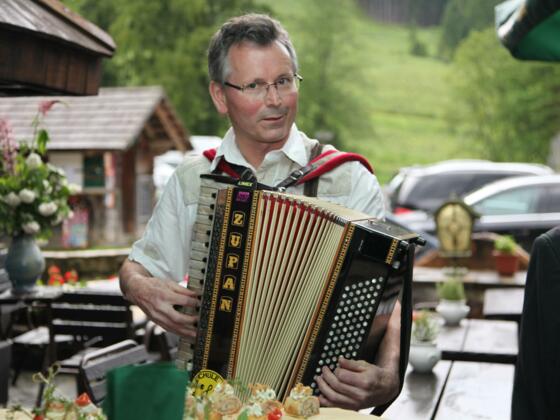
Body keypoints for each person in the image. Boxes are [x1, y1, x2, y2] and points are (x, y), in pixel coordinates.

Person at [119, 13, 401, 411]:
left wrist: (389, 376)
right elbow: (137, 268)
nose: (275, 100)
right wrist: (139, 287)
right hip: (214, 405)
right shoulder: (193, 180)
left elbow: (387, 300)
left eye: (284, 81)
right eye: (254, 85)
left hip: (316, 407)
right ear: (220, 96)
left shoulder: (349, 180)